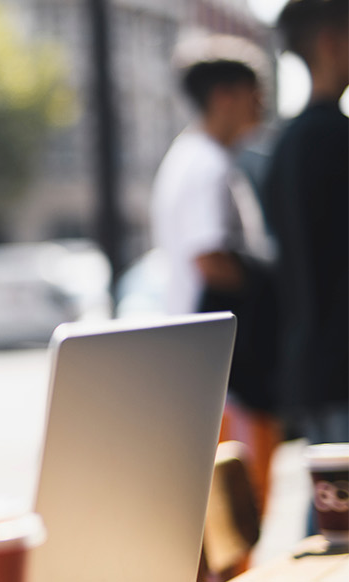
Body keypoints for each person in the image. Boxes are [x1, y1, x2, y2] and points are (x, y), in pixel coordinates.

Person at [149, 35, 281, 520]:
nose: (263, 102)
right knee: (238, 516)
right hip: (226, 374)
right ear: (224, 95)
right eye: (256, 90)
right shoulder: (206, 164)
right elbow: (210, 258)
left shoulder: (195, 158)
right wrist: (271, 288)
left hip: (210, 368)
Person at [265, 0, 348, 443]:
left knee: (328, 503)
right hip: (341, 366)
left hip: (308, 366)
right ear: (331, 43)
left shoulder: (283, 147)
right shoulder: (336, 139)